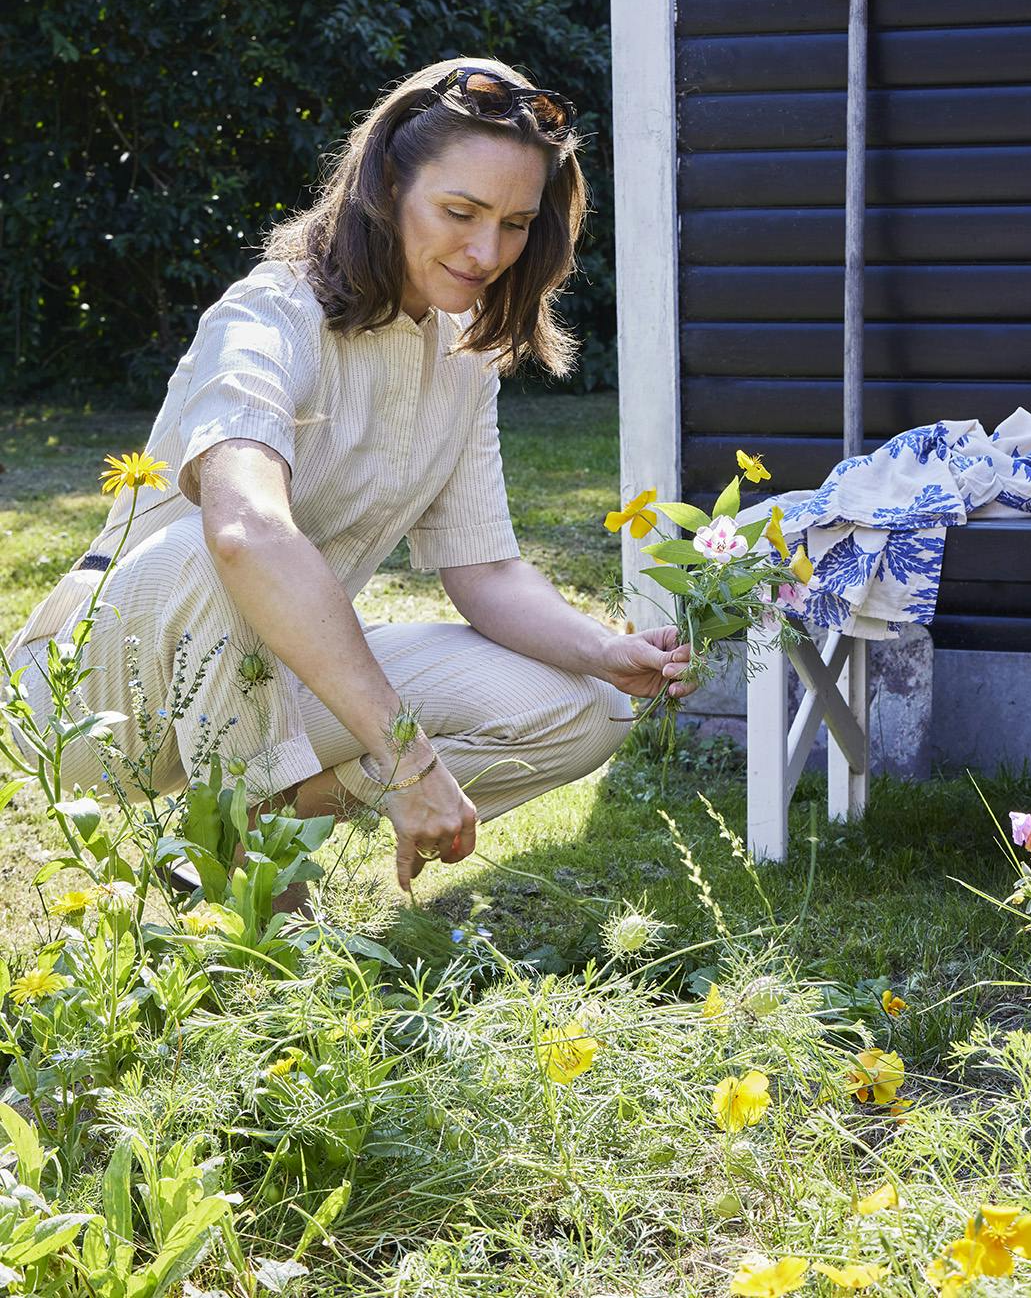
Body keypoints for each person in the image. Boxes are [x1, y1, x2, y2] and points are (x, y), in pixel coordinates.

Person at [6, 58, 694, 890]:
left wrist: (604, 649)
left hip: (269, 676)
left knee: (586, 706)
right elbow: (243, 531)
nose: (487, 252)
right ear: (387, 187)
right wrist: (404, 759)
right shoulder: (269, 314)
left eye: (515, 223)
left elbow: (484, 569)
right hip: (95, 703)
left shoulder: (460, 356)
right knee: (220, 544)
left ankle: (232, 833)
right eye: (460, 212)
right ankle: (268, 903)